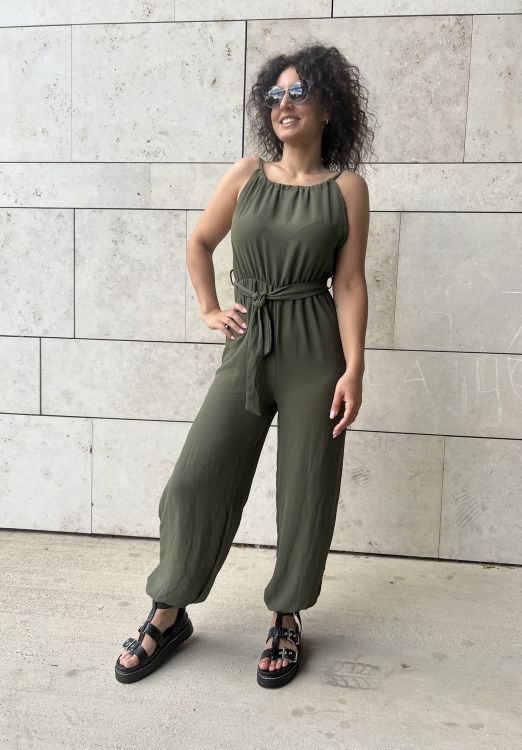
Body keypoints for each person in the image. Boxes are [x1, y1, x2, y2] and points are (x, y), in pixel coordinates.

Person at [114, 42, 373, 688]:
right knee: (195, 478)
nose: (285, 103)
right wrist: (209, 309)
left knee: (306, 489)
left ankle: (286, 615)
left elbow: (348, 283)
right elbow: (200, 242)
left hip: (315, 348)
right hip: (249, 338)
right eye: (275, 94)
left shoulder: (347, 189)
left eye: (299, 92)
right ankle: (170, 608)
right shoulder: (248, 174)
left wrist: (354, 368)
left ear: (328, 106)